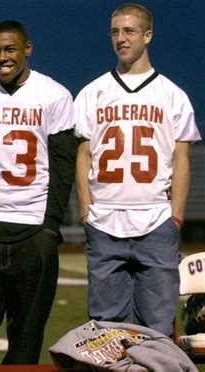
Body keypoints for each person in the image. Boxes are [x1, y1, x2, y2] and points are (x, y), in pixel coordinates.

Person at [75, 3, 201, 338]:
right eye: (115, 31)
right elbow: (84, 154)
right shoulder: (92, 92)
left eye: (129, 31)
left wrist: (175, 216)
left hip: (155, 221)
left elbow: (181, 159)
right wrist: (86, 210)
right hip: (104, 220)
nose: (121, 38)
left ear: (148, 35)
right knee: (105, 328)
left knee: (157, 328)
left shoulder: (172, 95)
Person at [0, 20, 76, 364]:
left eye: (10, 49)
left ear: (27, 49)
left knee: (26, 338)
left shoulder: (54, 94)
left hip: (32, 227)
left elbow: (63, 163)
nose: (2, 57)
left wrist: (49, 226)